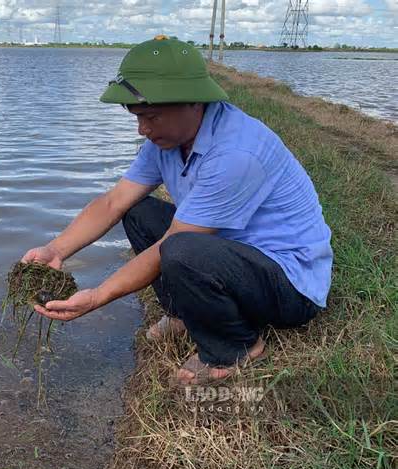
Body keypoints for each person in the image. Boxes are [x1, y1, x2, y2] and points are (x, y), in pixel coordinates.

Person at [21, 36, 332, 385]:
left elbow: (176, 242)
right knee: (138, 213)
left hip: (288, 284)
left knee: (180, 249)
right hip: (230, 253)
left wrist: (98, 296)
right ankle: (187, 314)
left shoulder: (236, 153)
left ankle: (235, 346)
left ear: (195, 102)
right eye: (137, 116)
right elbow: (114, 201)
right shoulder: (168, 139)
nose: (143, 129)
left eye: (152, 116)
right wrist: (56, 249)